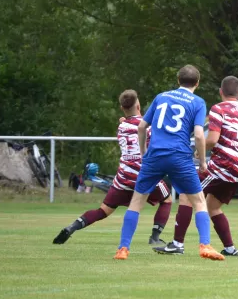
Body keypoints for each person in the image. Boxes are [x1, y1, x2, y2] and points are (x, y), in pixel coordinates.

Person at [113, 65, 224, 261]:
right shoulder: (197, 102)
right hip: (180, 156)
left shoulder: (161, 97)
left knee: (136, 202)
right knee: (198, 201)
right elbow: (199, 134)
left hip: (155, 155)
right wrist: (202, 160)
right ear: (197, 83)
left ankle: (123, 249)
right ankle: (205, 245)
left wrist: (144, 152)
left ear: (178, 80)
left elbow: (141, 126)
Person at [154, 76, 238, 257]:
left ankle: (177, 244)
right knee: (212, 206)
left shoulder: (218, 109)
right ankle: (230, 248)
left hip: (222, 165)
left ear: (220, 91)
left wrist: (198, 152)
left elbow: (212, 139)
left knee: (187, 196)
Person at [53, 90, 172, 245]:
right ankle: (155, 238)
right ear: (138, 105)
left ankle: (72, 227)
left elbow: (130, 124)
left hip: (123, 178)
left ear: (122, 108)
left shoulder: (121, 127)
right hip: (144, 175)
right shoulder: (149, 127)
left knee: (103, 211)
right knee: (167, 200)